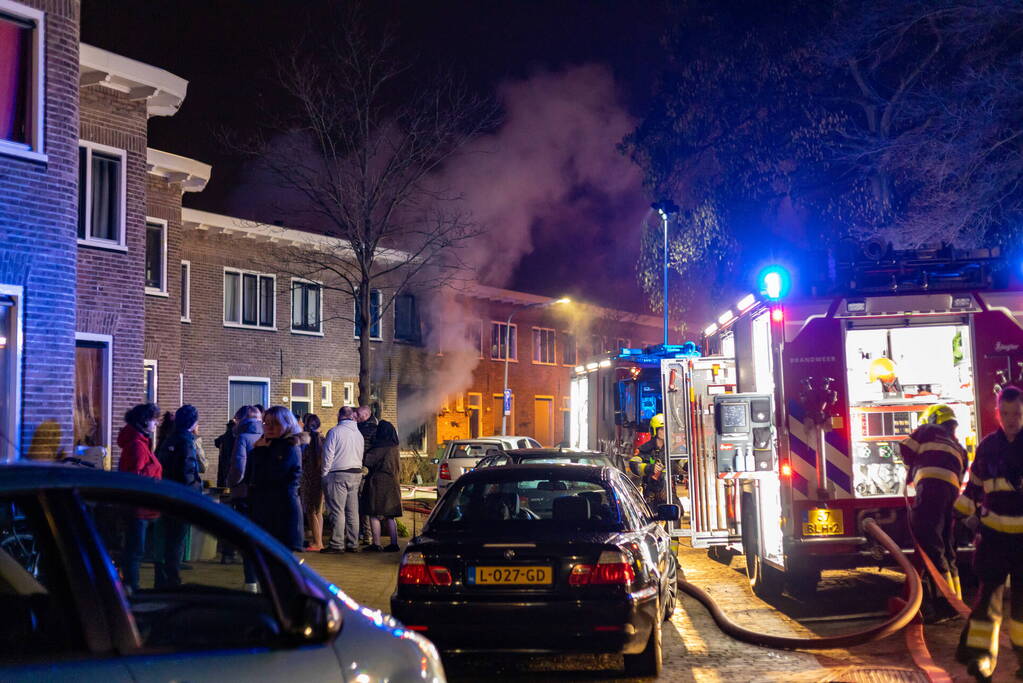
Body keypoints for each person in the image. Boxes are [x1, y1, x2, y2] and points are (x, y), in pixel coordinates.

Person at [955, 386, 1023, 681]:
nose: (1011, 420)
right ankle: (982, 660)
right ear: (997, 412)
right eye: (1006, 413)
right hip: (994, 537)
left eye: (1017, 414)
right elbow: (974, 486)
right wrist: (957, 516)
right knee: (987, 602)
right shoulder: (987, 446)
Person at [899, 403, 967, 623]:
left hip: (929, 491)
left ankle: (942, 605)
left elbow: (905, 448)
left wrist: (912, 468)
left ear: (934, 419)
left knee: (931, 543)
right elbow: (962, 472)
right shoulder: (959, 447)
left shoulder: (928, 430)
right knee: (948, 546)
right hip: (952, 495)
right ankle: (955, 601)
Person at [154, 404, 203, 589]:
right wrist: (197, 494)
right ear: (193, 422)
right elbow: (188, 472)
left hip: (165, 495)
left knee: (165, 540)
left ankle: (161, 579)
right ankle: (172, 581)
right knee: (176, 541)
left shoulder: (169, 440)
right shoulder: (186, 442)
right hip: (180, 500)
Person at [117, 403, 162, 594]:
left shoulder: (141, 443)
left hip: (143, 507)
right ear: (145, 421)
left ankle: (130, 587)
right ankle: (131, 590)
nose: (156, 424)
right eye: (154, 420)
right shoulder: (137, 446)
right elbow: (134, 477)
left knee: (135, 551)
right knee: (135, 552)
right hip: (139, 508)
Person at [249, 406, 306, 552]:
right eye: (266, 423)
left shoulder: (289, 447)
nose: (269, 427)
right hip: (267, 510)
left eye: (275, 423)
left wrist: (260, 451)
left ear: (287, 424)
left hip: (282, 512)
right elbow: (252, 474)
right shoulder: (270, 445)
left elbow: (272, 476)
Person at [227, 405, 263, 589]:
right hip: (262, 494)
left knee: (246, 538)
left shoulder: (242, 438)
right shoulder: (265, 437)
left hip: (243, 493)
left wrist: (232, 483)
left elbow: (239, 466)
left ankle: (250, 582)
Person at [321, 406, 364, 554]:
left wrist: (324, 474)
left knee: (338, 511)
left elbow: (328, 454)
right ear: (352, 417)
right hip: (356, 474)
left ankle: (337, 544)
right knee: (353, 511)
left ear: (339, 416)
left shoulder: (334, 432)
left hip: (338, 474)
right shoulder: (359, 434)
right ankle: (353, 543)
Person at [362, 420, 402, 552]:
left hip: (378, 483)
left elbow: (368, 461)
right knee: (390, 515)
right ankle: (394, 543)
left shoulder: (379, 447)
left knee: (374, 513)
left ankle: (376, 543)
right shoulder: (395, 447)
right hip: (393, 483)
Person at [629, 413, 667, 507]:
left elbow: (681, 462)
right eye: (662, 429)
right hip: (651, 493)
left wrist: (686, 465)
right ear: (654, 430)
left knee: (676, 512)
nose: (665, 432)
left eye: (666, 429)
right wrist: (649, 468)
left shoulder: (671, 449)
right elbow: (633, 464)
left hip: (668, 492)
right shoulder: (646, 449)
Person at [300, 413, 325, 551]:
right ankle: (319, 540)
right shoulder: (323, 439)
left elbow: (300, 459)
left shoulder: (305, 441)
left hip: (308, 478)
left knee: (310, 511)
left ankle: (317, 543)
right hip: (320, 477)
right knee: (318, 511)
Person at [356, 405, 379, 545]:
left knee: (362, 501)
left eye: (358, 414)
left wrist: (366, 466)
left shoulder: (368, 429)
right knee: (361, 502)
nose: (356, 417)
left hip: (364, 469)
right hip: (364, 468)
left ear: (365, 415)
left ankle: (366, 535)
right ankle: (365, 534)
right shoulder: (366, 427)